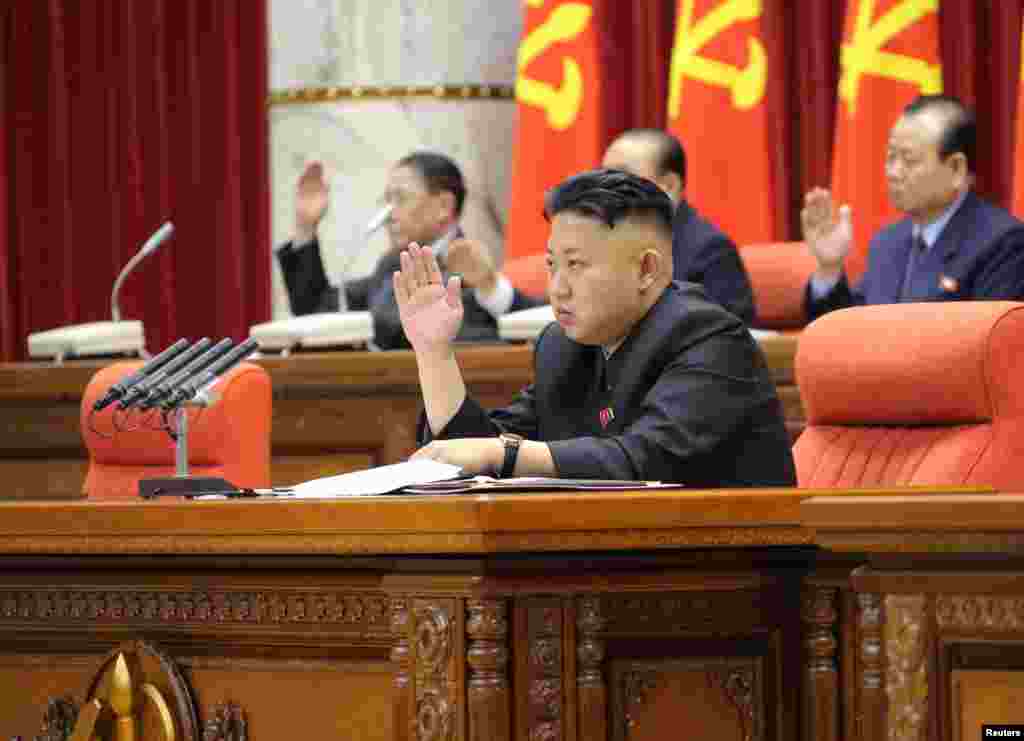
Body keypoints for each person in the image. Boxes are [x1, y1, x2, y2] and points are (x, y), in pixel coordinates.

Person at [396, 169, 796, 487]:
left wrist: (505, 454)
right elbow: (478, 449)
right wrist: (434, 355)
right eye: (552, 264)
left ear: (646, 269)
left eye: (576, 265)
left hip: (726, 574)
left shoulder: (709, 339)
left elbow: (645, 460)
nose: (558, 287)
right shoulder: (563, 347)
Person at [276, 152, 541, 349]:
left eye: (400, 198)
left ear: (443, 206)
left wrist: (489, 285)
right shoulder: (390, 267)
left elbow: (527, 329)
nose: (387, 214)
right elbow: (318, 311)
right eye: (386, 200)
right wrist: (305, 229)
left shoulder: (470, 271)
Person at [803, 94, 1024, 321]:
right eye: (890, 157)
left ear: (956, 168)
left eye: (909, 160)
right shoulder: (887, 244)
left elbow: (989, 345)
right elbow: (847, 333)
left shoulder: (1003, 244)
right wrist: (829, 268)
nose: (893, 172)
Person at [601, 128, 756, 323]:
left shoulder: (710, 250)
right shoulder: (604, 239)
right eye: (604, 176)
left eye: (621, 176)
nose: (605, 188)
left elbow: (726, 335)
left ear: (668, 185)